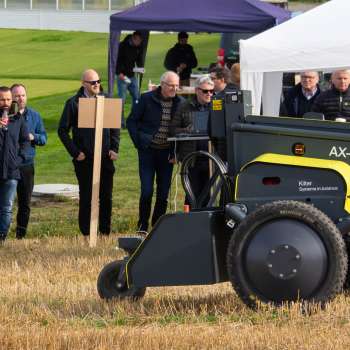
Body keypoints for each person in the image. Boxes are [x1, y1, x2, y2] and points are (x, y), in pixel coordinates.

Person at [58, 69, 120, 237]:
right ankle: (86, 233)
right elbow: (62, 131)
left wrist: (114, 148)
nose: (97, 84)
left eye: (98, 81)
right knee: (86, 197)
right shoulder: (73, 103)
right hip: (85, 159)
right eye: (93, 82)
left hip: (105, 157)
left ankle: (105, 232)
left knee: (106, 196)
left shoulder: (106, 100)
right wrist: (76, 152)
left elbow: (115, 127)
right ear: (84, 83)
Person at [127, 71, 183, 233]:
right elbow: (131, 121)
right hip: (148, 152)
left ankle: (157, 227)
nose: (174, 88)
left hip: (167, 155)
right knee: (146, 191)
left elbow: (185, 129)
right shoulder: (147, 99)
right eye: (171, 85)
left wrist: (177, 153)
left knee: (163, 193)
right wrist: (139, 141)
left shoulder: (180, 103)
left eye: (176, 85)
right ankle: (142, 226)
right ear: (163, 85)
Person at [170, 76, 214, 207]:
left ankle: (206, 224)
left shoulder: (216, 107)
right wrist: (186, 130)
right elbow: (172, 129)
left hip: (211, 160)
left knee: (208, 196)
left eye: (212, 91)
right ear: (197, 90)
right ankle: (189, 223)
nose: (209, 94)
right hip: (191, 159)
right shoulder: (184, 106)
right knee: (191, 195)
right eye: (205, 91)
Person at [11, 84, 47, 239]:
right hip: (8, 165)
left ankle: (21, 235)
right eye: (17, 96)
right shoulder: (6, 116)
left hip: (26, 165)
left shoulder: (34, 116)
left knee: (25, 203)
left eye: (23, 95)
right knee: (6, 203)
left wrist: (34, 137)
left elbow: (44, 138)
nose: (20, 99)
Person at [0, 86, 29, 243]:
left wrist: (18, 160)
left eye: (8, 99)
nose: (5, 102)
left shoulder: (18, 119)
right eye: (2, 99)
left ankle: (2, 237)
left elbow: (25, 141)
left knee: (6, 207)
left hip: (11, 172)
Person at [116, 31, 144, 127]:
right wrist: (118, 73)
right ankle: (121, 122)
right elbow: (117, 60)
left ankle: (133, 120)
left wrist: (140, 68)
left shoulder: (138, 47)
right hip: (122, 76)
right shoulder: (122, 46)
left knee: (137, 97)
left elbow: (139, 59)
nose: (140, 43)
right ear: (134, 38)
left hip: (131, 76)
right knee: (122, 99)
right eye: (139, 41)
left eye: (141, 41)